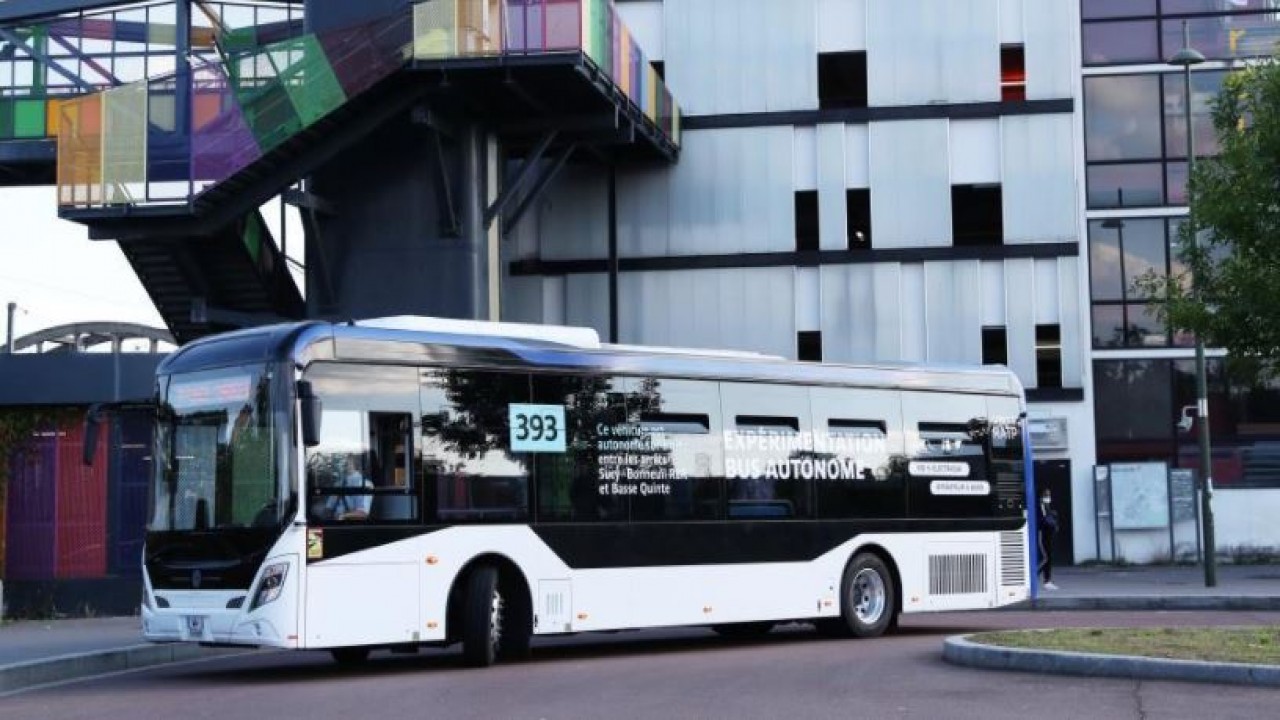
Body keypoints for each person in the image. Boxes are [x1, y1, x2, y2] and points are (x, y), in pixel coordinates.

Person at [327, 455, 373, 521]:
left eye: (347, 462)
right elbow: (329, 508)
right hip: (333, 523)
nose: (344, 464)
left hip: (352, 525)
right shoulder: (338, 483)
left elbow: (363, 513)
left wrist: (343, 516)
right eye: (344, 462)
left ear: (356, 464)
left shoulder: (364, 484)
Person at [1037, 487, 1060, 590]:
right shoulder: (1041, 506)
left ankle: (1047, 581)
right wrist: (1053, 521)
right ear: (1042, 496)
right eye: (1046, 495)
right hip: (1043, 535)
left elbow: (1049, 519)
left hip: (1048, 535)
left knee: (1048, 558)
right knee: (1046, 558)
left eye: (1049, 495)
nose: (1048, 497)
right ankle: (1036, 576)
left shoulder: (1047, 506)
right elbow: (1045, 520)